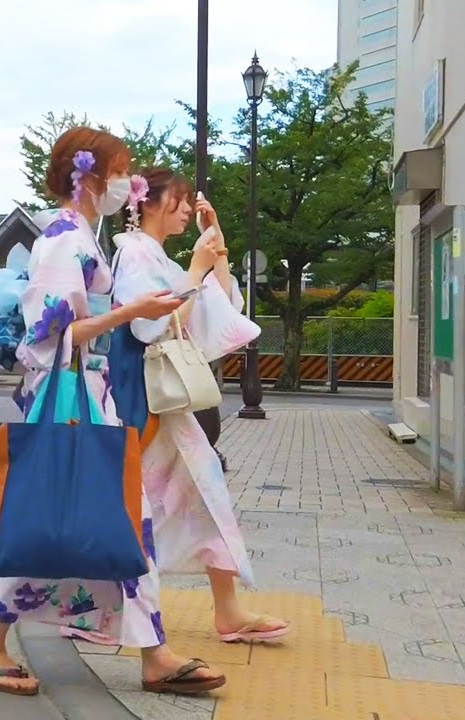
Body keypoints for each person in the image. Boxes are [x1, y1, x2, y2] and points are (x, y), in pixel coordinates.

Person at [0, 127, 228, 696]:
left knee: (79, 515)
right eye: (121, 171)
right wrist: (129, 313)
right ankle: (148, 656)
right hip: (73, 394)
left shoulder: (76, 235)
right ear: (90, 176)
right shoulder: (63, 238)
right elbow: (49, 333)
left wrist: (129, 314)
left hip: (80, 392)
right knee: (115, 516)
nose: (129, 182)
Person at [109, 167, 290, 643]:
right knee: (139, 506)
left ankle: (226, 611)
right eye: (181, 199)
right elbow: (152, 326)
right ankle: (94, 609)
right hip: (145, 399)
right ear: (149, 203)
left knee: (202, 494)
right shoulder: (134, 252)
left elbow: (219, 304)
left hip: (163, 400)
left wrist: (218, 247)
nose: (189, 208)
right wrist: (194, 269)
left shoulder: (154, 256)